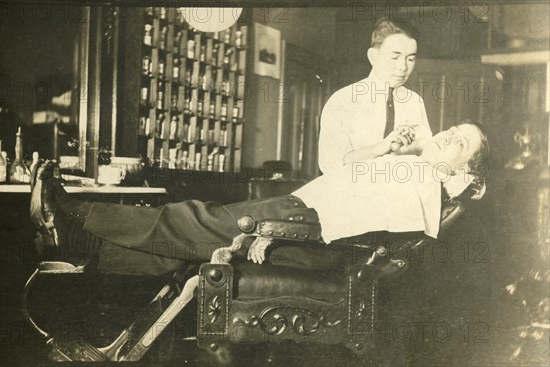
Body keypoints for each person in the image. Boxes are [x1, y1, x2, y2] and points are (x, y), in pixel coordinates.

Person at [30, 121, 488, 276]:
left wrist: (284, 228)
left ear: (464, 169)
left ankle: (74, 217)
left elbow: (362, 233)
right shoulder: (416, 168)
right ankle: (81, 246)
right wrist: (386, 148)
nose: (447, 134)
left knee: (192, 219)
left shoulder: (426, 184)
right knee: (189, 247)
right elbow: (347, 175)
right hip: (304, 214)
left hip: (306, 229)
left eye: (459, 142)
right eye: (452, 129)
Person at [318, 17, 431, 175]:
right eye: (394, 57)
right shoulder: (343, 100)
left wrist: (411, 149)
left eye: (410, 59)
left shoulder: (415, 101)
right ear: (373, 57)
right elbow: (330, 164)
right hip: (353, 194)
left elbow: (427, 153)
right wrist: (379, 148)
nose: (403, 67)